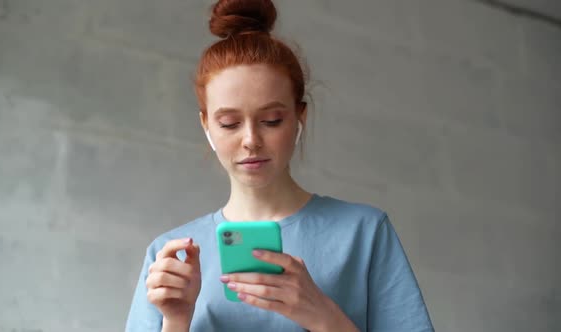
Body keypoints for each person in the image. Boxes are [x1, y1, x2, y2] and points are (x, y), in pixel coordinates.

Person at [126, 0, 434, 331]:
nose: (250, 140)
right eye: (229, 123)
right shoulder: (170, 255)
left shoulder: (364, 232)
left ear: (300, 118)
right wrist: (175, 319)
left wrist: (324, 316)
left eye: (272, 120)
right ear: (206, 127)